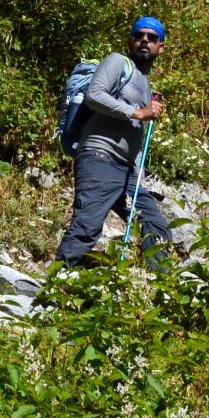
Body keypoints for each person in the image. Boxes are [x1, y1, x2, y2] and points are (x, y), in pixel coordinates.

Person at [58, 16, 173, 266]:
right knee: (86, 227)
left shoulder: (144, 81)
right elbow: (94, 95)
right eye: (138, 36)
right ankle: (57, 288)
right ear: (130, 41)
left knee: (155, 225)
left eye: (152, 38)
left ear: (160, 47)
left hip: (126, 172)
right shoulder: (118, 62)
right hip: (100, 158)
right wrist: (139, 112)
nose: (144, 40)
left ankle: (155, 288)